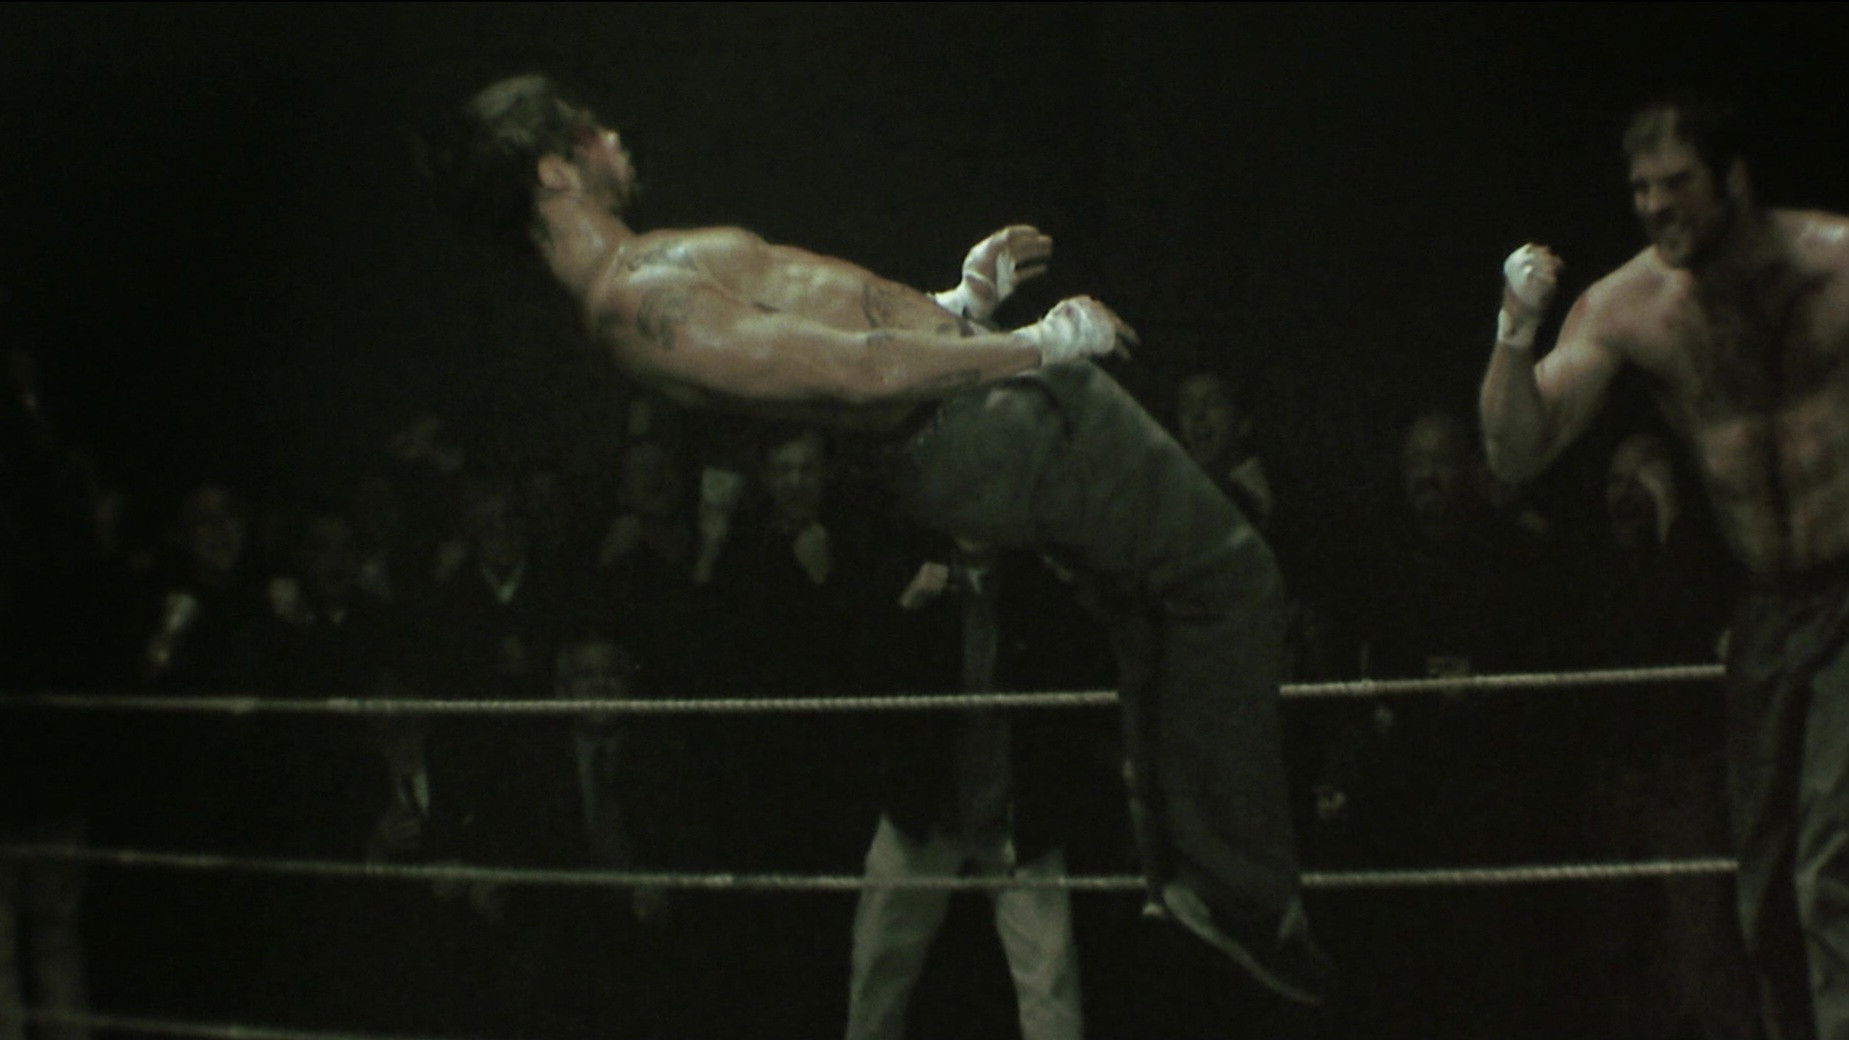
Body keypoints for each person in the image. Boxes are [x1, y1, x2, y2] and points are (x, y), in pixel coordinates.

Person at [429, 73, 1326, 1005]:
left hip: (963, 422)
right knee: (1232, 579)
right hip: (980, 426)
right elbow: (851, 377)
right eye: (588, 130)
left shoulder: (640, 277)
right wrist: (1032, 346)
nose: (613, 137)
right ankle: (1234, 894)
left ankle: (1186, 875)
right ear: (553, 171)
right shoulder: (638, 307)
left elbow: (830, 325)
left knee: (1154, 603)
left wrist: (959, 302)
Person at [1479, 96, 1849, 1039]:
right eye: (1639, 188)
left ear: (1732, 180)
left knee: (1829, 870)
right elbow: (1515, 452)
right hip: (1765, 611)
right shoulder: (1633, 307)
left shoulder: (1833, 266)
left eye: (1675, 182)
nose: (1654, 205)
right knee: (1766, 893)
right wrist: (1515, 331)